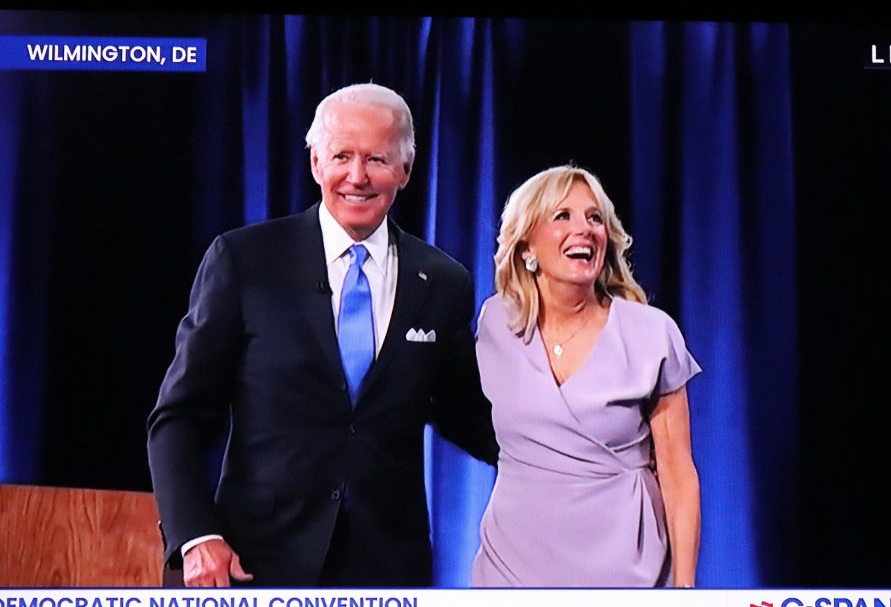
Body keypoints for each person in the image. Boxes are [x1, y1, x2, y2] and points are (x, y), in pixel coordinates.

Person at [147, 83, 498, 587]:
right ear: (316, 162)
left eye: (376, 159)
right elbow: (178, 416)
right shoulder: (245, 262)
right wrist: (195, 535)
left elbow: (468, 415)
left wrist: (571, 455)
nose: (357, 177)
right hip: (253, 563)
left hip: (386, 569)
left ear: (405, 170)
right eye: (341, 156)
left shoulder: (442, 280)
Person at [471, 165, 701, 587]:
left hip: (627, 573)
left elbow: (678, 472)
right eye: (563, 217)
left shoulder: (650, 333)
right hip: (512, 570)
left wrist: (686, 591)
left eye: (595, 218)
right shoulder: (495, 324)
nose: (585, 229)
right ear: (527, 245)